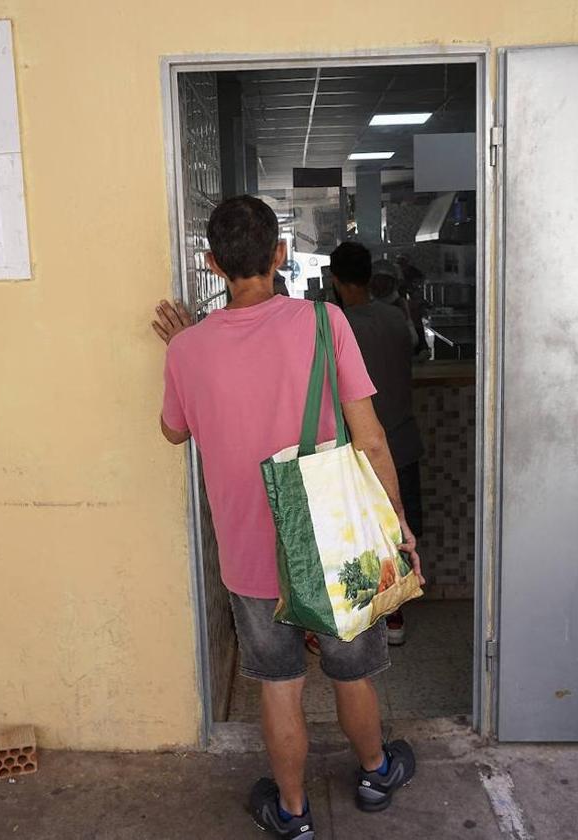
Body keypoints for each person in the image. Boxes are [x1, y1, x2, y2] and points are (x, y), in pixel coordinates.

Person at [152, 196, 422, 840]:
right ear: (280, 254)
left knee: (279, 684)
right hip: (335, 540)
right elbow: (373, 441)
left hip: (249, 557)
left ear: (214, 264)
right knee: (350, 671)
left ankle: (294, 812)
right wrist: (399, 525)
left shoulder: (187, 350)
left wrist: (187, 345)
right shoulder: (326, 324)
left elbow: (172, 431)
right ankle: (376, 770)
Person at [330, 243, 425, 646]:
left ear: (335, 280)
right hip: (403, 439)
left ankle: (380, 618)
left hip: (361, 449)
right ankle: (396, 615)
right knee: (398, 533)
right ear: (370, 276)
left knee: (368, 538)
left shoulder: (339, 327)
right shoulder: (394, 318)